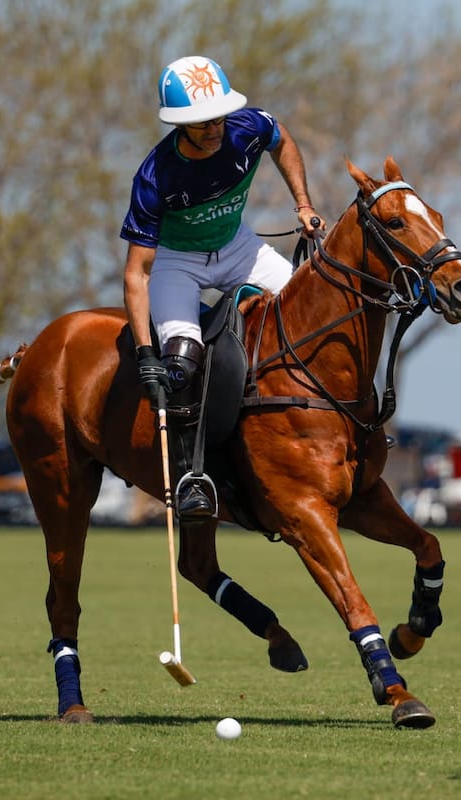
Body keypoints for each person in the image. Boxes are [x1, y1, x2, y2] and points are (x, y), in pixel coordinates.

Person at [121, 56, 321, 520]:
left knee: (310, 316)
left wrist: (303, 203)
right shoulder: (156, 176)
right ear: (180, 125)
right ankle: (194, 476)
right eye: (200, 122)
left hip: (238, 248)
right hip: (178, 263)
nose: (214, 128)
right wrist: (146, 352)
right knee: (183, 361)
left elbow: (282, 139)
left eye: (218, 117)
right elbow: (138, 273)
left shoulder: (248, 127)